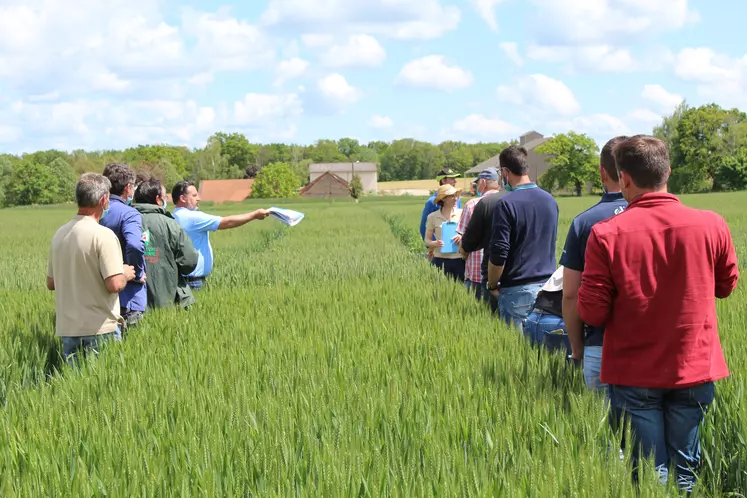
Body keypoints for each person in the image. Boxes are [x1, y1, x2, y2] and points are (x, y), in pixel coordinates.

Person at [577, 135, 739, 492]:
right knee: (684, 470)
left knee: (648, 472)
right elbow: (726, 286)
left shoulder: (606, 234)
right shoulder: (712, 224)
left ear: (625, 179)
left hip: (635, 372)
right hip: (695, 366)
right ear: (667, 171)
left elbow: (593, 312)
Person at [561, 136, 629, 393]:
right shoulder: (663, 216)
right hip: (657, 347)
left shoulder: (584, 223)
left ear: (602, 173)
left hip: (600, 344)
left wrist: (577, 348)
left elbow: (570, 294)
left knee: (601, 430)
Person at [46, 173, 136, 365]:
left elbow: (51, 282)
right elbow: (114, 283)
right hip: (100, 329)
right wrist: (126, 274)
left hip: (68, 330)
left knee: (75, 388)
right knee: (103, 390)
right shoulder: (103, 235)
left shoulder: (59, 234)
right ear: (104, 200)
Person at [485, 145, 558, 329]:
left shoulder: (506, 204)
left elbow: (499, 253)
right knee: (540, 352)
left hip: (517, 292)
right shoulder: (550, 200)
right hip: (548, 288)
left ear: (505, 172)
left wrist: (492, 284)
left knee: (518, 351)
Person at [171, 181, 271, 290]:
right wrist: (254, 215)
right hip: (194, 283)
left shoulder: (172, 217)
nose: (198, 198)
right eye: (194, 196)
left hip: (179, 281)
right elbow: (226, 222)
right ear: (183, 198)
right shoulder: (192, 218)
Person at [134, 178, 199, 309]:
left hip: (132, 301)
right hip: (169, 298)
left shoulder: (126, 220)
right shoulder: (170, 224)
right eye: (165, 197)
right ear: (158, 199)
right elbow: (189, 261)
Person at [100, 162, 147, 326]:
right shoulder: (130, 213)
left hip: (100, 291)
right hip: (128, 295)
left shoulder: (95, 212)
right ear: (128, 188)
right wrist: (137, 273)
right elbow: (134, 245)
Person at [460, 170, 505, 312]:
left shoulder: (472, 204)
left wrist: (463, 254)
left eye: (478, 182)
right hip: (503, 274)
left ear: (484, 182)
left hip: (476, 274)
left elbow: (464, 242)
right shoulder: (510, 201)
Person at [523, 266, 569, 354]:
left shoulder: (566, 265)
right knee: (564, 367)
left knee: (532, 365)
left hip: (532, 318)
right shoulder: (589, 265)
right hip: (557, 323)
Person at [424, 184, 465, 281]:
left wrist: (461, 235)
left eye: (456, 196)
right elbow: (427, 240)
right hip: (439, 260)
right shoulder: (432, 217)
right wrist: (434, 243)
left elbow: (470, 233)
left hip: (459, 260)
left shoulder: (462, 213)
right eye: (452, 196)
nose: (455, 199)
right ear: (443, 199)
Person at [419, 168, 462, 241]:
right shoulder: (431, 202)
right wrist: (432, 246)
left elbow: (462, 223)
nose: (455, 181)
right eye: (452, 178)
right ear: (443, 180)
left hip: (456, 246)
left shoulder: (457, 200)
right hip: (439, 248)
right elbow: (424, 227)